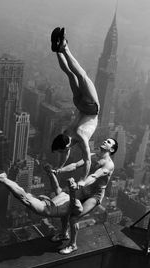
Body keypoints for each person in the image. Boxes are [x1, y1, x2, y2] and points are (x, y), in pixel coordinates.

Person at [51, 27, 100, 186]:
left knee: (81, 75)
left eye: (60, 150)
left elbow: (87, 161)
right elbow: (66, 153)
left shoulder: (80, 135)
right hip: (80, 104)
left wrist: (83, 179)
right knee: (73, 74)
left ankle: (64, 47)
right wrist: (59, 167)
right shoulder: (65, 133)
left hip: (91, 107)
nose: (62, 153)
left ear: (64, 145)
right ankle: (59, 51)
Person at [0, 165, 83, 241]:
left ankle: (3, 179)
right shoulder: (66, 196)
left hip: (45, 209)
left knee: (24, 197)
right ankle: (4, 179)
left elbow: (74, 205)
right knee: (24, 195)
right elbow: (56, 187)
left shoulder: (76, 204)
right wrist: (50, 173)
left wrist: (72, 190)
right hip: (47, 205)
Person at [56, 138, 118, 255]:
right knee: (65, 210)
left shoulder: (109, 164)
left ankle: (72, 245)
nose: (105, 141)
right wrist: (59, 170)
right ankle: (63, 234)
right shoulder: (92, 156)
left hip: (95, 195)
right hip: (84, 189)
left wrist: (82, 183)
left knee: (74, 218)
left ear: (112, 149)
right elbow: (75, 165)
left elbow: (95, 176)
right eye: (105, 140)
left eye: (109, 142)